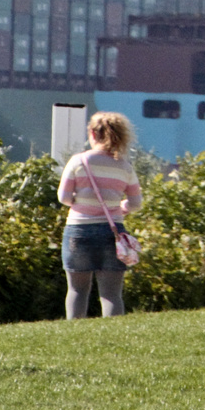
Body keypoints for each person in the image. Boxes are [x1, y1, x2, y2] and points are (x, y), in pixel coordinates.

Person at [57, 111, 142, 318]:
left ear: (93, 134)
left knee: (77, 290)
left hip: (78, 231)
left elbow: (64, 197)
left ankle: (74, 334)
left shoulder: (78, 161)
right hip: (112, 232)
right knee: (112, 294)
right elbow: (136, 203)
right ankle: (113, 335)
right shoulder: (124, 166)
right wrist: (121, 207)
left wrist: (79, 202)